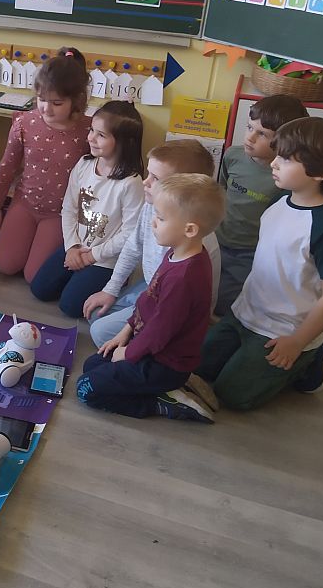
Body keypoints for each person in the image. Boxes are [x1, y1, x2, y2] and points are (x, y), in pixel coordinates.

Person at [197, 117, 323, 410]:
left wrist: (298, 341)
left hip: (285, 329)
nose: (274, 163)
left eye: (286, 159)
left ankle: (314, 355)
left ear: (321, 172)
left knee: (233, 395)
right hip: (245, 312)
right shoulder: (280, 200)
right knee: (197, 366)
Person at [76, 174, 226, 423]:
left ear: (189, 229)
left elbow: (159, 332)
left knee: (85, 389)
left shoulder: (184, 278)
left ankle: (163, 402)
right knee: (92, 365)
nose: (153, 222)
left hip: (165, 363)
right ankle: (168, 387)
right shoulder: (177, 253)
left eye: (161, 218)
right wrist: (126, 330)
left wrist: (129, 353)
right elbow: (148, 299)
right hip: (150, 348)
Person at [84, 139, 222, 346]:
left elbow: (182, 307)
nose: (145, 182)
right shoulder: (152, 206)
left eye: (155, 178)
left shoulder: (193, 239)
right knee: (95, 314)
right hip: (151, 286)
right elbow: (133, 247)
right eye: (148, 174)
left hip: (170, 299)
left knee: (100, 332)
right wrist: (110, 290)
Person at [30, 100, 144, 317]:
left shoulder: (131, 183)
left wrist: (93, 256)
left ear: (123, 142)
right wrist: (72, 247)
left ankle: (114, 282)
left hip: (105, 258)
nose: (91, 137)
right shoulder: (84, 164)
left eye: (101, 135)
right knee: (40, 289)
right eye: (92, 130)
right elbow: (68, 208)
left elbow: (130, 234)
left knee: (70, 307)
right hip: (77, 247)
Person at [0, 47, 91, 282]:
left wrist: (83, 230)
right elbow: (7, 166)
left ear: (76, 100)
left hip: (60, 214)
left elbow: (94, 181)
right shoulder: (25, 122)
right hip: (25, 203)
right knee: (6, 264)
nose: (46, 108)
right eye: (41, 99)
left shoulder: (88, 130)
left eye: (57, 102)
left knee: (33, 276)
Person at [215, 94, 308, 315]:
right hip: (218, 238)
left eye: (262, 134)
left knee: (227, 304)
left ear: (284, 141)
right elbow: (221, 190)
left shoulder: (285, 177)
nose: (250, 137)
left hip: (250, 250)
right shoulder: (233, 155)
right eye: (249, 127)